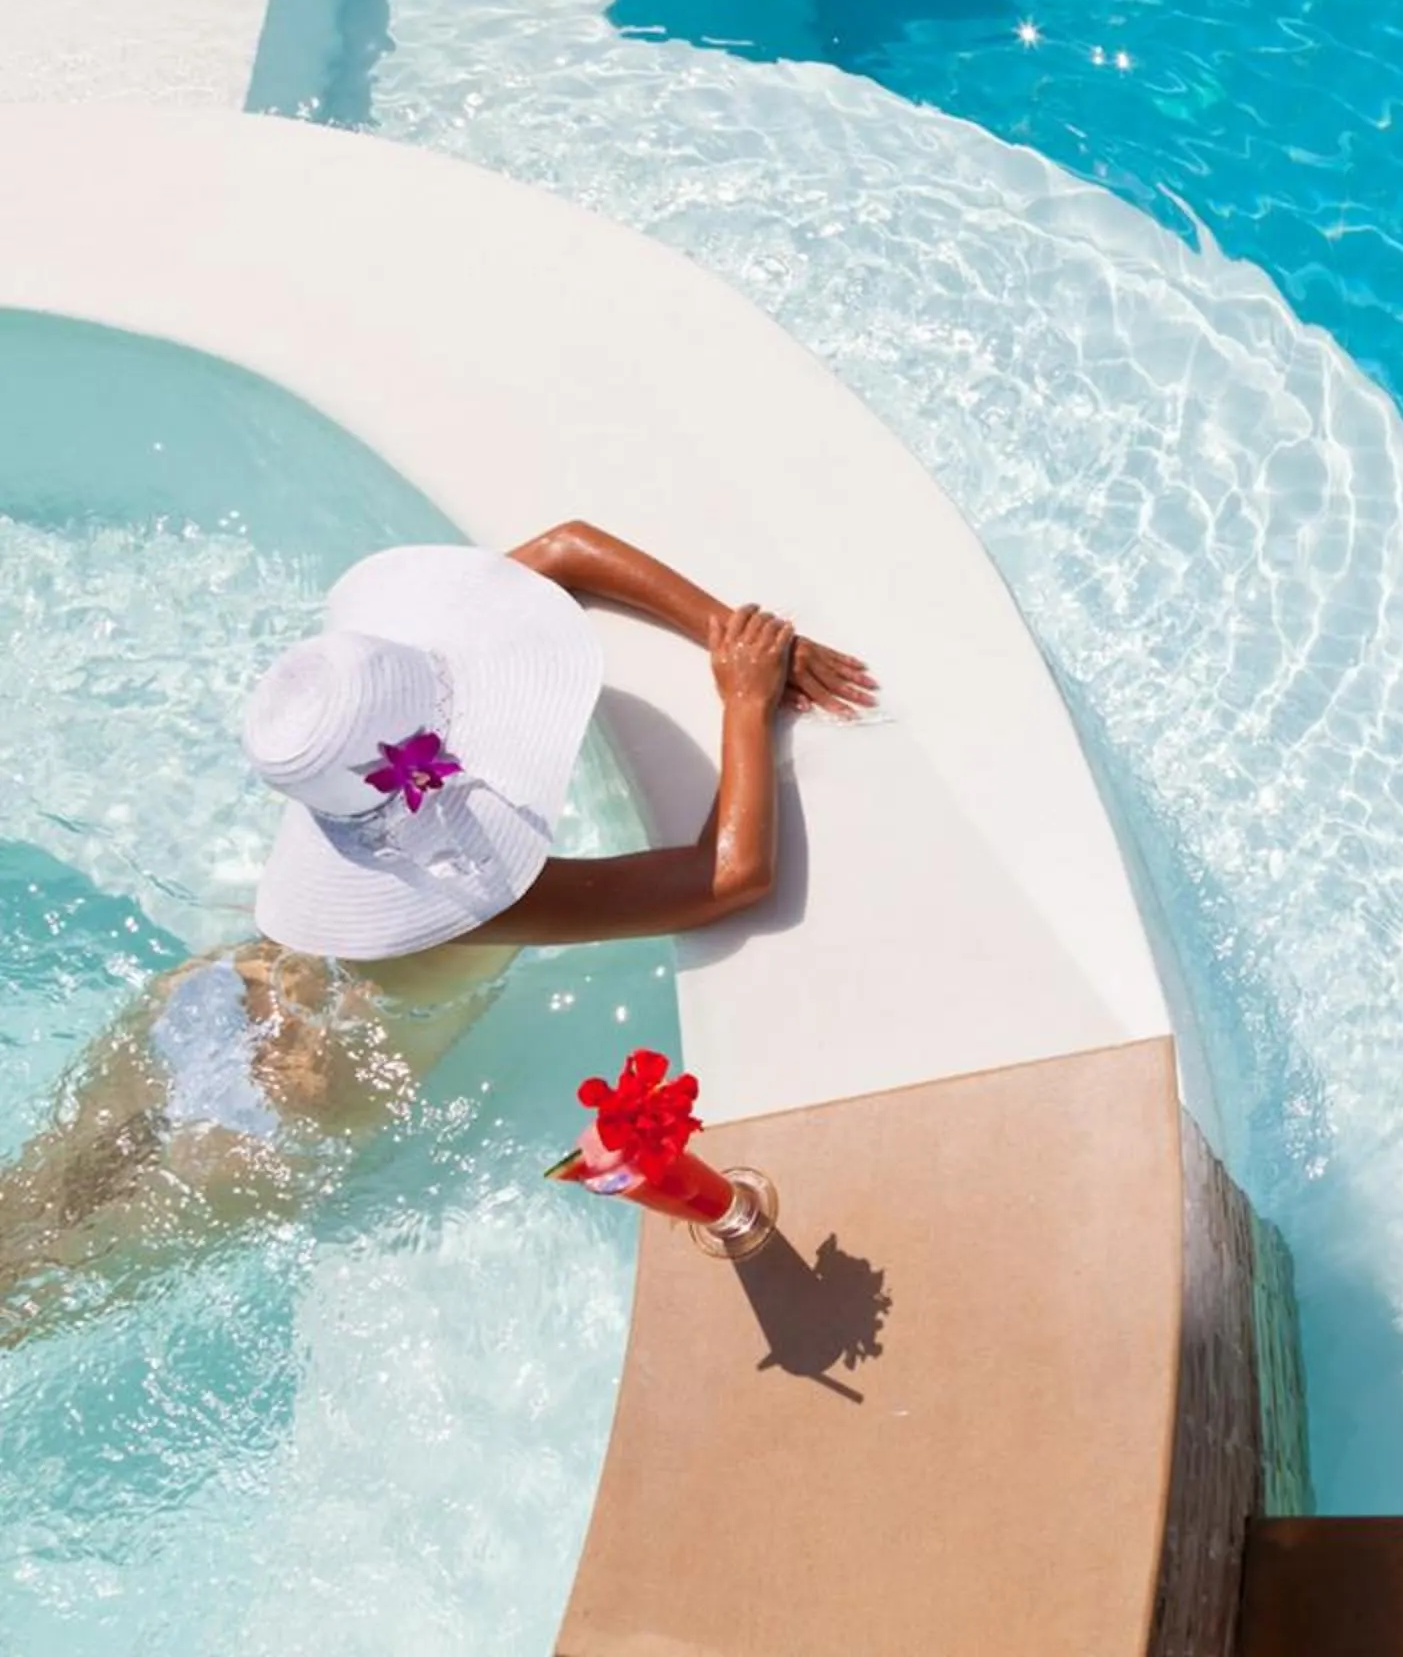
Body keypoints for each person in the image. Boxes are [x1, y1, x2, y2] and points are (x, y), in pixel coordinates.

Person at [0, 521, 874, 1344]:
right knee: (42, 1293)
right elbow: (731, 878)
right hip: (277, 1121)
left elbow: (564, 550)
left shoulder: (346, 798)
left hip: (210, 1002)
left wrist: (729, 629)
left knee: (35, 1202)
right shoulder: (474, 891)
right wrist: (743, 692)